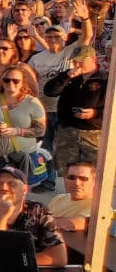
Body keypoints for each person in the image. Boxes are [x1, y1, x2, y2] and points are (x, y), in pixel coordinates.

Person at [0, 166, 67, 268]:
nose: (3, 188)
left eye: (11, 184)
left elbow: (59, 257)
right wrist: (0, 217)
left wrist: (13, 261)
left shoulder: (39, 211)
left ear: (24, 190)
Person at [44, 46, 104, 178]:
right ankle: (68, 196)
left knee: (92, 172)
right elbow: (49, 91)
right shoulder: (69, 75)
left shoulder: (104, 78)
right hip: (67, 131)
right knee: (66, 170)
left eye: (81, 61)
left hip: (93, 133)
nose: (77, 65)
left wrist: (94, 114)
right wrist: (65, 77)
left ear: (93, 59)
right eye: (75, 61)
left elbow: (110, 108)